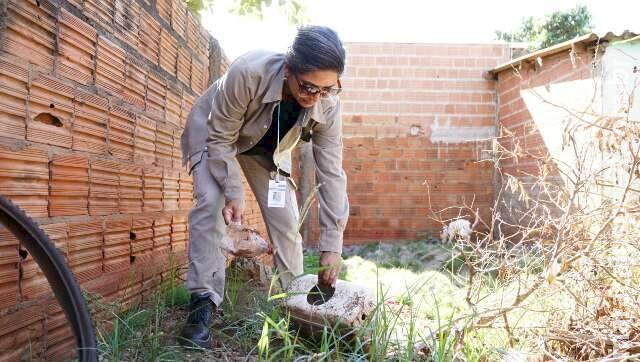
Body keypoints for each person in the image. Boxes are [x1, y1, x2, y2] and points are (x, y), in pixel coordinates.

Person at [178, 25, 349, 348]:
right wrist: (234, 192)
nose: (315, 98)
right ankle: (202, 304)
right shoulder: (248, 71)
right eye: (309, 87)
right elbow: (221, 138)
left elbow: (332, 172)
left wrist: (332, 245)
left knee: (286, 221)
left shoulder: (328, 104)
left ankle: (296, 309)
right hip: (215, 134)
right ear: (288, 68)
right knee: (212, 204)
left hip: (265, 150)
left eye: (326, 89)